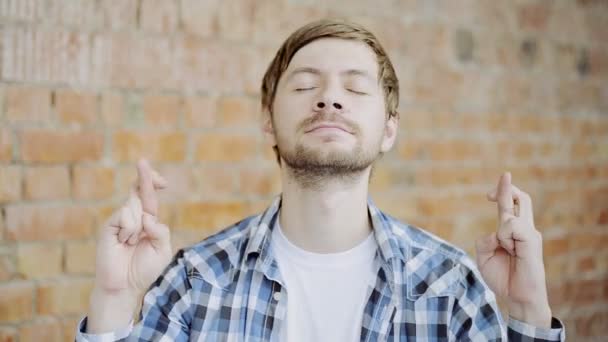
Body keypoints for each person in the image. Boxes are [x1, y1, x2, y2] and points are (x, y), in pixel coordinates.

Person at [76, 19, 565, 341]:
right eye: (306, 85)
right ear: (268, 120)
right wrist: (115, 299)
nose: (330, 99)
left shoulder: (448, 285)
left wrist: (528, 308)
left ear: (389, 128)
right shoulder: (197, 279)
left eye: (354, 87)